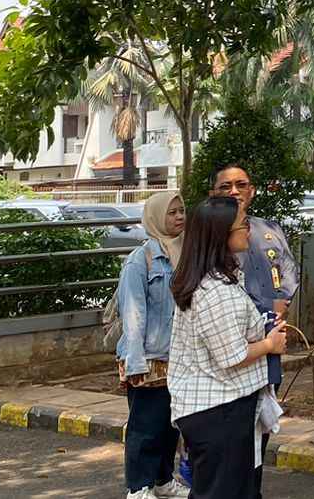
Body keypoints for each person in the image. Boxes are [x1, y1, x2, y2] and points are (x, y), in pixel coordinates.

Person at [168, 198, 288, 499]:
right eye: (243, 225)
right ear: (222, 234)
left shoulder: (221, 278)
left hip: (223, 406)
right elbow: (231, 356)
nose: (249, 230)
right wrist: (270, 344)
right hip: (218, 410)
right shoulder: (215, 291)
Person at [115, 190, 190, 499]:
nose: (180, 217)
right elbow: (133, 314)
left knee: (170, 425)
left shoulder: (186, 254)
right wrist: (135, 363)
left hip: (179, 357)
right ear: (157, 217)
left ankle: (162, 480)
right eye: (172, 212)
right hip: (148, 357)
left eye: (182, 210)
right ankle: (138, 487)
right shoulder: (141, 260)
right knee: (144, 427)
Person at [210, 164, 297, 390]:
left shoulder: (270, 229)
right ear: (213, 194)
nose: (234, 191)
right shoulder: (208, 235)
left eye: (241, 185)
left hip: (269, 324)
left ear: (252, 191)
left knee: (269, 391)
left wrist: (281, 301)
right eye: (225, 186)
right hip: (231, 329)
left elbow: (288, 268)